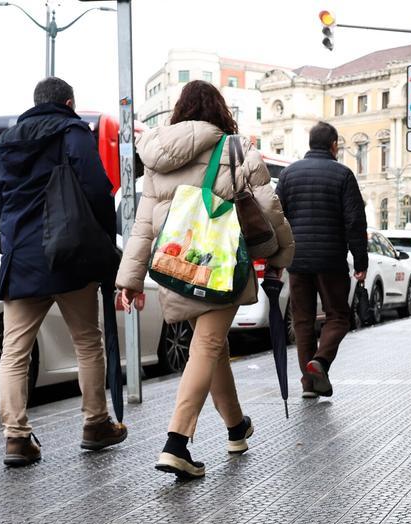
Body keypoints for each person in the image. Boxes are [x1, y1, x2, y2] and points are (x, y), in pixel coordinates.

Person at [115, 80, 294, 479]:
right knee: (208, 345)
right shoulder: (233, 147)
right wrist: (282, 254)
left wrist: (129, 278)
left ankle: (236, 427)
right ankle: (176, 442)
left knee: (210, 347)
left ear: (179, 111)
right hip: (219, 266)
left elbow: (143, 226)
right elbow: (268, 204)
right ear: (220, 110)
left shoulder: (157, 156)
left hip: (176, 267)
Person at [0, 76, 127, 467]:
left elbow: (3, 203)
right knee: (87, 340)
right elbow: (97, 188)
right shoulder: (71, 130)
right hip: (69, 252)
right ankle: (95, 423)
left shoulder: (5, 143)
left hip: (21, 259)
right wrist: (104, 239)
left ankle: (16, 438)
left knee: (15, 350)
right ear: (68, 102)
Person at [274, 121, 368, 399]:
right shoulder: (343, 175)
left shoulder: (289, 175)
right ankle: (321, 362)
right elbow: (355, 221)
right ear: (334, 145)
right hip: (331, 260)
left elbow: (278, 218)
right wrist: (360, 262)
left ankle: (309, 385)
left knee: (302, 321)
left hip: (298, 260)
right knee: (338, 316)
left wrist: (279, 258)